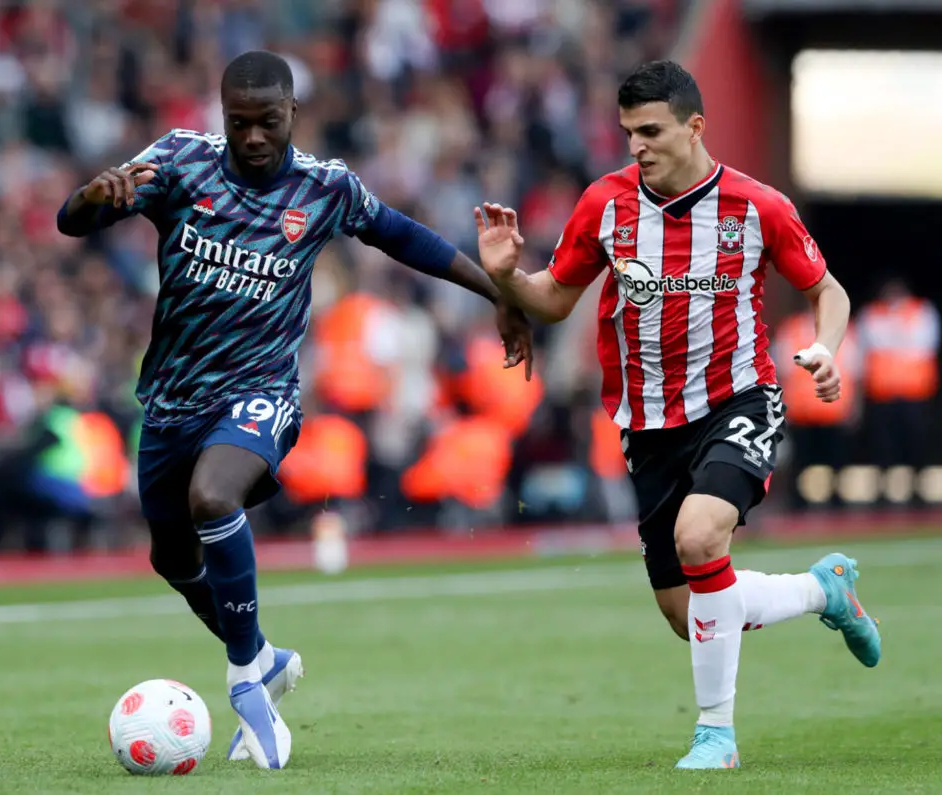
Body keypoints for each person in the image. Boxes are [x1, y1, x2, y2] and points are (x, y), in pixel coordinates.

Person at [56, 50, 533, 770]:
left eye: (268, 122)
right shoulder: (181, 161)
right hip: (171, 400)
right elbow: (74, 222)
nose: (253, 137)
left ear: (293, 115)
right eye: (239, 122)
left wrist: (497, 293)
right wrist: (93, 198)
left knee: (213, 497)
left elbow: (403, 235)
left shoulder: (324, 187)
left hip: (260, 392)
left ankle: (245, 682)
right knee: (172, 556)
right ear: (223, 117)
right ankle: (262, 657)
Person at [474, 60, 880, 770]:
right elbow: (555, 300)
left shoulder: (758, 206)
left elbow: (830, 291)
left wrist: (825, 346)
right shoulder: (604, 204)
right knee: (687, 615)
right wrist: (507, 275)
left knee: (700, 537)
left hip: (738, 399)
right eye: (629, 132)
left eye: (652, 131)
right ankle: (824, 590)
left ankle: (716, 734)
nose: (637, 145)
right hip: (648, 422)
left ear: (695, 127)